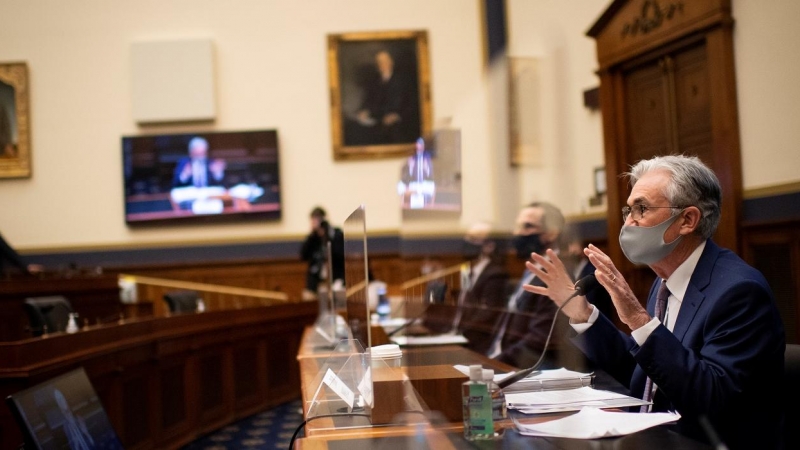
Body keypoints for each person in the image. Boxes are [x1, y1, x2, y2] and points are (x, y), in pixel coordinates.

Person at [523, 155, 785, 449]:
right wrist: (583, 315)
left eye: (641, 209)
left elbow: (711, 397)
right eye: (628, 210)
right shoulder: (664, 281)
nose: (628, 221)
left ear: (687, 220)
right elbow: (645, 372)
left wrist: (637, 318)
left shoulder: (739, 291)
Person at [485, 201, 568, 369]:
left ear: (551, 233)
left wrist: (492, 364)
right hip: (503, 360)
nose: (517, 233)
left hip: (527, 370)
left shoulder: (556, 276)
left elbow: (538, 342)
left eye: (527, 226)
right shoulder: (531, 270)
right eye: (517, 227)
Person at [453, 222, 510, 355]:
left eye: (473, 239)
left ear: (489, 246)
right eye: (466, 238)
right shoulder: (468, 270)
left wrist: (461, 334)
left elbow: (488, 313)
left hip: (478, 344)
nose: (467, 242)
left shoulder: (496, 274)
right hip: (460, 338)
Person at [347, 49, 419, 145]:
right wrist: (365, 111)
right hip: (377, 121)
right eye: (379, 62)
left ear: (391, 62)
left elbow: (412, 105)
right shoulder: (374, 82)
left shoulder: (403, 81)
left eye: (385, 61)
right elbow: (369, 102)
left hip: (399, 124)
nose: (382, 64)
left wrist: (397, 116)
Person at [299, 207, 344, 300]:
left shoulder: (336, 234)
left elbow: (339, 254)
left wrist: (327, 235)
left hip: (335, 280)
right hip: (315, 283)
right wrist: (312, 234)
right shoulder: (313, 238)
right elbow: (303, 255)